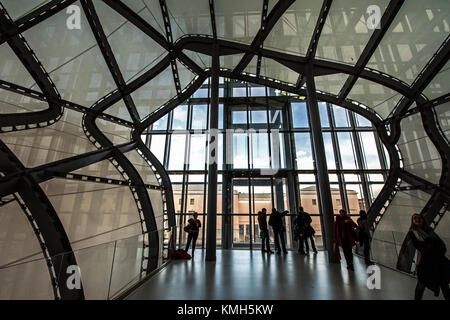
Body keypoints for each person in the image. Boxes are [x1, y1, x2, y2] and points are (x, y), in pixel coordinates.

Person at [408, 213, 450, 300]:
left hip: (437, 261)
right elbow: (418, 246)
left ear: (422, 220)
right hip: (426, 262)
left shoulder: (429, 230)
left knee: (443, 282)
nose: (417, 220)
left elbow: (440, 245)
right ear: (412, 222)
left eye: (418, 218)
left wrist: (429, 245)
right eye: (414, 218)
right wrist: (430, 244)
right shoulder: (413, 232)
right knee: (422, 283)